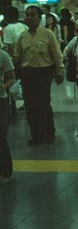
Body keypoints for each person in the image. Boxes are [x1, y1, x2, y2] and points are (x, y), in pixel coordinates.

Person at [14, 5, 64, 145]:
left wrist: (59, 71)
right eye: (27, 15)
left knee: (43, 104)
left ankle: (49, 133)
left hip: (44, 72)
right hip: (27, 73)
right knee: (30, 105)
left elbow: (56, 54)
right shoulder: (22, 36)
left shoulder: (48, 34)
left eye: (33, 15)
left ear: (39, 17)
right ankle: (35, 135)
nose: (29, 18)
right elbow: (17, 56)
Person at [0, 47, 16, 184]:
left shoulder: (2, 55)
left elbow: (12, 78)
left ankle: (6, 171)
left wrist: (3, 87)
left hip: (1, 100)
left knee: (1, 136)